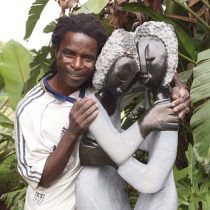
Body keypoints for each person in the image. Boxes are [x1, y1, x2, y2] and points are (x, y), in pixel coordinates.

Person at [15, 14, 190, 210]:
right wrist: (73, 132)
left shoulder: (102, 86)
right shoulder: (31, 109)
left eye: (88, 57)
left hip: (104, 197)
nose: (77, 64)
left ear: (98, 59)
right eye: (69, 53)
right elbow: (43, 178)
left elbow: (152, 63)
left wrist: (178, 87)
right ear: (57, 51)